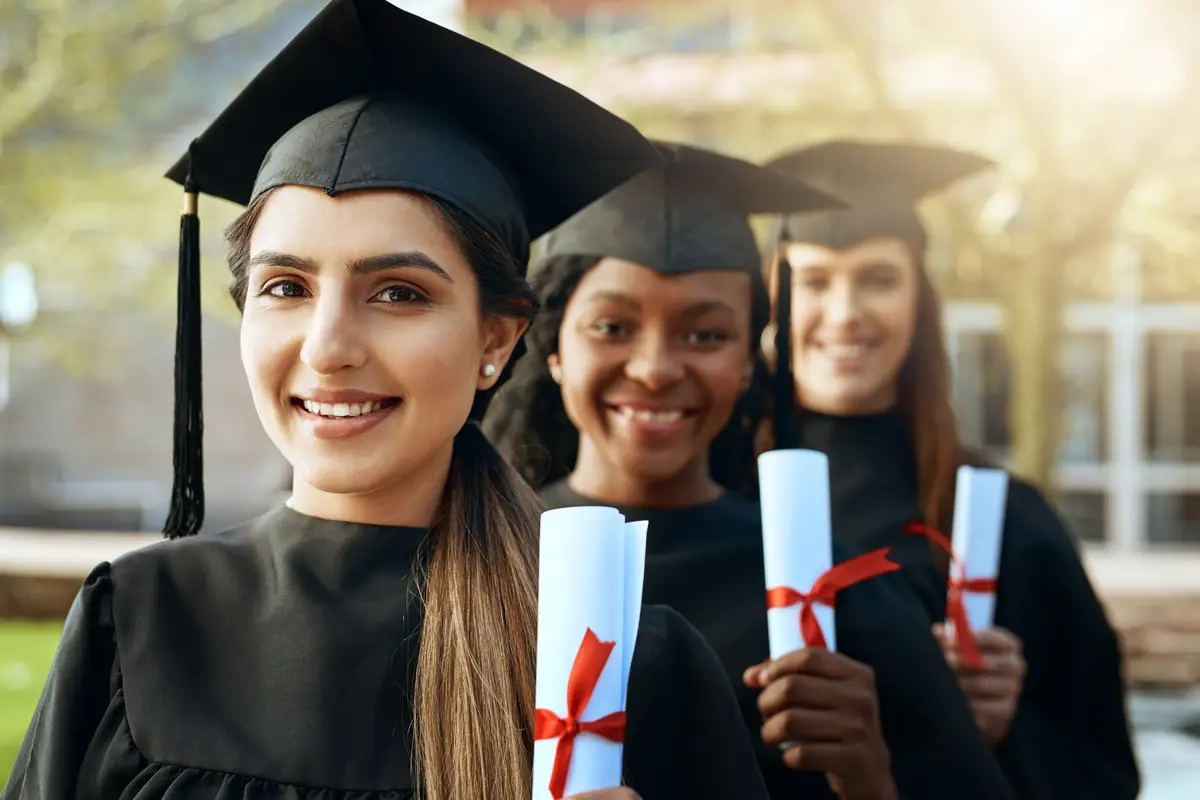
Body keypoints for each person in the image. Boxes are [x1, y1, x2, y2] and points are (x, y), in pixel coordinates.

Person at [1, 3, 771, 799]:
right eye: (286, 287)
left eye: (399, 292)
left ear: (496, 340)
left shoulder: (613, 660)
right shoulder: (136, 622)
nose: (327, 346)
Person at [486, 143, 1017, 800]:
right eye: (612, 326)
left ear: (749, 363)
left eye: (706, 335)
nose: (655, 369)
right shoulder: (478, 561)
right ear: (554, 349)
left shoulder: (837, 593)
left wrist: (869, 778)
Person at [761, 139, 1140, 799]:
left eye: (879, 279)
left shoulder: (1005, 519)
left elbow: (1102, 772)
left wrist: (1000, 728)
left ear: (921, 301)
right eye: (815, 281)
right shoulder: (711, 496)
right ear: (770, 301)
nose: (845, 313)